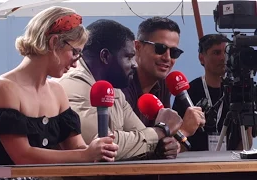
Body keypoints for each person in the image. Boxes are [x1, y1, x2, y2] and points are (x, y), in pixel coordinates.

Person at [0, 6, 118, 180]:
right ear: (54, 42)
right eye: (75, 52)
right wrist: (85, 155)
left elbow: (76, 149)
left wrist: (98, 150)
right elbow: (23, 157)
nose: (76, 63)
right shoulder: (2, 88)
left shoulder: (57, 92)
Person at [54, 19, 205, 160]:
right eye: (129, 57)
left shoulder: (115, 87)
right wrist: (161, 130)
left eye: (174, 52)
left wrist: (162, 146)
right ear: (105, 56)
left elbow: (144, 136)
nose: (134, 64)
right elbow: (105, 146)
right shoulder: (73, 84)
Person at [121, 16, 205, 139]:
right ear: (137, 47)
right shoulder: (122, 83)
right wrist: (184, 131)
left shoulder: (164, 84)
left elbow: (165, 140)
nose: (167, 58)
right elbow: (130, 144)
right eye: (160, 49)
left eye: (174, 52)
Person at [172, 33, 253, 151]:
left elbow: (246, 139)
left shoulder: (239, 90)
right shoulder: (188, 92)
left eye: (226, 53)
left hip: (232, 161)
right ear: (201, 57)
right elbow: (177, 136)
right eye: (216, 53)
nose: (222, 58)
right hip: (194, 162)